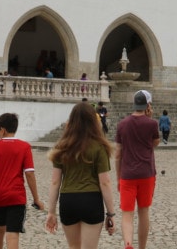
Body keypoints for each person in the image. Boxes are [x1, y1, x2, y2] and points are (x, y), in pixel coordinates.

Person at [45, 102, 117, 248]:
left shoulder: (62, 146)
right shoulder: (99, 147)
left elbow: (55, 182)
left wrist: (51, 212)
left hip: (68, 201)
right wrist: (111, 213)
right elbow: (105, 182)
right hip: (91, 200)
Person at [0, 113, 44, 249]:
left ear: (2, 129)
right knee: (12, 233)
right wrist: (36, 198)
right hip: (16, 196)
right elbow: (30, 174)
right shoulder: (24, 147)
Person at [115, 90, 160, 249]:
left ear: (134, 104)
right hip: (147, 174)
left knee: (127, 214)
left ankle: (128, 243)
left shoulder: (122, 125)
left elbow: (118, 154)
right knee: (143, 212)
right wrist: (149, 118)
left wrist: (118, 177)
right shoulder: (152, 124)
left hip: (127, 175)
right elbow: (155, 144)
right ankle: (142, 247)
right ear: (147, 105)